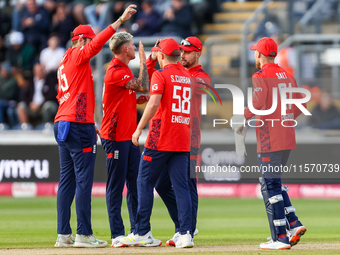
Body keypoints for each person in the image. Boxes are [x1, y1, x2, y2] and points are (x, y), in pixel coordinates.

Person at [53, 4, 137, 248]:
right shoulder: (78, 54)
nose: (92, 46)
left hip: (64, 122)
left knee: (66, 181)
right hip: (77, 126)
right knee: (83, 181)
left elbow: (71, 96)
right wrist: (120, 20)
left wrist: (92, 121)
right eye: (88, 41)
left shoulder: (65, 60)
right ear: (80, 40)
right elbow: (97, 43)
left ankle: (63, 234)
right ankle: (84, 234)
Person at [233, 37, 307, 250]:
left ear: (260, 54)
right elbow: (300, 106)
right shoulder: (288, 76)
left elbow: (258, 103)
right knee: (274, 182)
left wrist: (242, 117)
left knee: (269, 185)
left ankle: (280, 238)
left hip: (269, 140)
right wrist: (285, 119)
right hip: (287, 139)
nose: (254, 55)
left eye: (256, 52)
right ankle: (293, 223)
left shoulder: (261, 75)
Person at [120, 38, 194, 248]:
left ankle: (142, 231)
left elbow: (153, 103)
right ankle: (186, 233)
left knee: (143, 181)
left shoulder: (161, 75)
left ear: (161, 56)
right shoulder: (187, 76)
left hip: (160, 137)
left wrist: (138, 128)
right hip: (181, 137)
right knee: (181, 187)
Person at [147, 37, 211, 246]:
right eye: (181, 51)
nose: (183, 55)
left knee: (188, 184)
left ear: (198, 53)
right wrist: (152, 59)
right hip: (170, 136)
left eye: (189, 52)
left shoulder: (201, 76)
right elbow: (151, 85)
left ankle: (187, 230)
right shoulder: (174, 72)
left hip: (189, 138)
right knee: (162, 184)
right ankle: (183, 226)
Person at [100, 31, 152, 247]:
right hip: (115, 136)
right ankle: (117, 235)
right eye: (132, 45)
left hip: (129, 136)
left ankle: (138, 231)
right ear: (125, 50)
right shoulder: (115, 71)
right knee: (115, 185)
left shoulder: (123, 70)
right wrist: (144, 59)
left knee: (134, 183)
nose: (134, 47)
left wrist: (139, 98)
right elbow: (143, 85)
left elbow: (134, 93)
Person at [17, 63, 58, 127]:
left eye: (43, 70)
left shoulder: (50, 81)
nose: (42, 71)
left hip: (43, 105)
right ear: (35, 71)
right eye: (40, 70)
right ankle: (25, 127)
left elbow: (52, 96)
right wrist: (30, 103)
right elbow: (24, 96)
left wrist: (39, 104)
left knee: (48, 106)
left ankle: (45, 127)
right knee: (21, 106)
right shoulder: (30, 82)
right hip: (32, 106)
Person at [0, 61, 20, 128]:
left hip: (11, 101)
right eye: (3, 70)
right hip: (3, 101)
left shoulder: (13, 81)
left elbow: (9, 95)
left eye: (6, 70)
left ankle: (2, 125)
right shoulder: (1, 80)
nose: (4, 72)